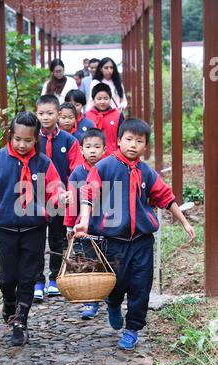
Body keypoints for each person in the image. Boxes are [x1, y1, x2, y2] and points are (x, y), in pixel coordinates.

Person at [74, 118, 195, 351]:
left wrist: (184, 222)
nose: (133, 145)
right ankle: (113, 303)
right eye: (128, 139)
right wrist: (85, 221)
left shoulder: (146, 172)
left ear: (145, 146)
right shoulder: (104, 167)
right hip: (113, 242)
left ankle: (132, 329)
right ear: (118, 141)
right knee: (116, 284)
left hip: (141, 241)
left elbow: (165, 197)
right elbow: (88, 194)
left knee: (140, 286)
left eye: (139, 141)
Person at [0, 112, 72, 347]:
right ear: (11, 136)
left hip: (34, 228)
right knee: (7, 278)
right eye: (17, 139)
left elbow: (53, 190)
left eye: (28, 140)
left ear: (36, 140)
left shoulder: (44, 163)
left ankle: (20, 322)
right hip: (6, 228)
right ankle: (8, 303)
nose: (22, 145)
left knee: (27, 277)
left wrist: (61, 198)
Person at [34, 95, 83, 301]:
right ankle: (37, 281)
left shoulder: (69, 141)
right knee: (35, 241)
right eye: (41, 113)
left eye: (50, 113)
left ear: (58, 115)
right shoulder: (32, 138)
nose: (45, 118)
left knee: (57, 239)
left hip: (60, 198)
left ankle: (54, 278)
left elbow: (75, 171)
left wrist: (71, 195)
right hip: (35, 198)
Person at [64, 128, 106, 319]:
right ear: (81, 150)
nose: (92, 151)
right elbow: (72, 203)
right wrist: (69, 225)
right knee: (89, 262)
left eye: (97, 147)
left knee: (109, 261)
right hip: (85, 228)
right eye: (88, 147)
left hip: (108, 225)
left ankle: (111, 297)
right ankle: (91, 302)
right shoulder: (76, 174)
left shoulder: (109, 169)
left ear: (104, 149)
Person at [86, 83, 124, 156]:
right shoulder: (87, 116)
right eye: (99, 99)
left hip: (113, 156)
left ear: (110, 99)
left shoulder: (118, 115)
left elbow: (122, 136)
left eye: (106, 98)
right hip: (92, 157)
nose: (102, 102)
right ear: (93, 100)